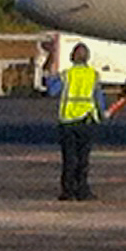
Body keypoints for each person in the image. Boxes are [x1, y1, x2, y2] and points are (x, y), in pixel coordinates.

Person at [53, 43, 107, 200]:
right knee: (83, 158)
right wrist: (101, 115)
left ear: (72, 57)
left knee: (69, 158)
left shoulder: (67, 75)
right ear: (87, 58)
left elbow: (52, 90)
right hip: (86, 121)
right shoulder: (93, 75)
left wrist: (51, 71)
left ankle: (67, 191)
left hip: (68, 121)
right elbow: (98, 99)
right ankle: (82, 190)